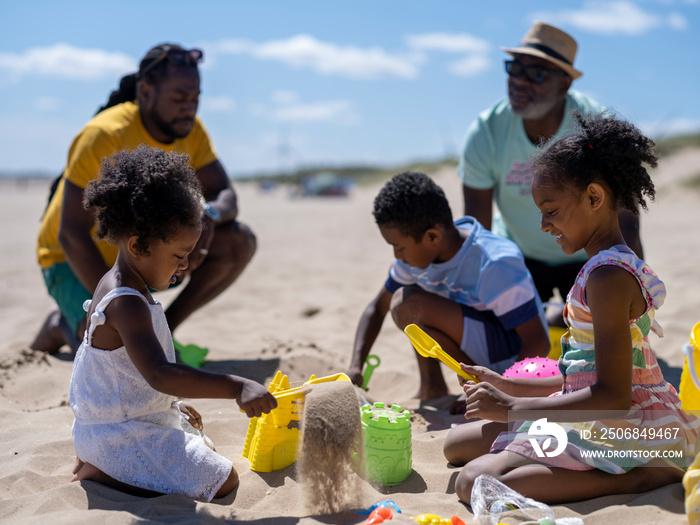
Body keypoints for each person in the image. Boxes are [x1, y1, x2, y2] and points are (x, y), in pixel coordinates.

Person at [443, 113, 699, 504]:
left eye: (551, 209)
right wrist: (503, 385)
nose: (544, 224)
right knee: (455, 445)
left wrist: (514, 408)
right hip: (603, 410)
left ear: (594, 198)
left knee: (474, 482)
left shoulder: (608, 278)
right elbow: (578, 376)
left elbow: (614, 395)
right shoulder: (603, 267)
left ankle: (636, 478)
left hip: (624, 426)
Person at [69, 146, 277, 500]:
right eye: (179, 256)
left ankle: (108, 459)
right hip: (118, 433)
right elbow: (159, 373)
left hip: (117, 421)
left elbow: (127, 378)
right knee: (222, 478)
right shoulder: (125, 302)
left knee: (199, 438)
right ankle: (102, 471)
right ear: (139, 245)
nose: (185, 266)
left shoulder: (123, 283)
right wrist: (237, 386)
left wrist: (169, 406)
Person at [33, 43, 255, 356]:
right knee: (113, 345)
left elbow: (225, 194)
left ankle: (163, 327)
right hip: (68, 257)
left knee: (239, 240)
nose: (189, 108)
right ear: (146, 90)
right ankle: (62, 325)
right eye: (179, 98)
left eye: (195, 98)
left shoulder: (191, 131)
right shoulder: (105, 134)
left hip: (139, 253)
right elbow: (69, 232)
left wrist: (210, 214)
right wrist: (115, 298)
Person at [458, 21, 643, 322]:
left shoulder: (593, 125)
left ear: (564, 85)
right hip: (520, 256)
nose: (519, 81)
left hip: (588, 252)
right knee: (506, 331)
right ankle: (552, 313)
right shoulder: (487, 131)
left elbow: (626, 216)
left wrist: (626, 277)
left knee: (602, 321)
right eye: (514, 69)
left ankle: (564, 312)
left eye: (536, 74)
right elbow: (478, 229)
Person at [346, 171, 550, 400]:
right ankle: (432, 387)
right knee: (407, 307)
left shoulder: (493, 261)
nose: (397, 256)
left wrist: (500, 391)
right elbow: (376, 309)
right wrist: (355, 367)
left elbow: (538, 342)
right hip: (478, 345)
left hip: (514, 362)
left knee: (408, 302)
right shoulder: (414, 259)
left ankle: (480, 384)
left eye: (400, 247)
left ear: (432, 237)